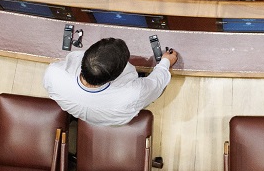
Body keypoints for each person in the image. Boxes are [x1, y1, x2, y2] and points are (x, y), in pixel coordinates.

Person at [43, 37, 178, 126]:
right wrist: (166, 61)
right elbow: (157, 83)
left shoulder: (54, 74)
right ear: (116, 76)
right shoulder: (133, 94)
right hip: (118, 117)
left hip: (85, 113)